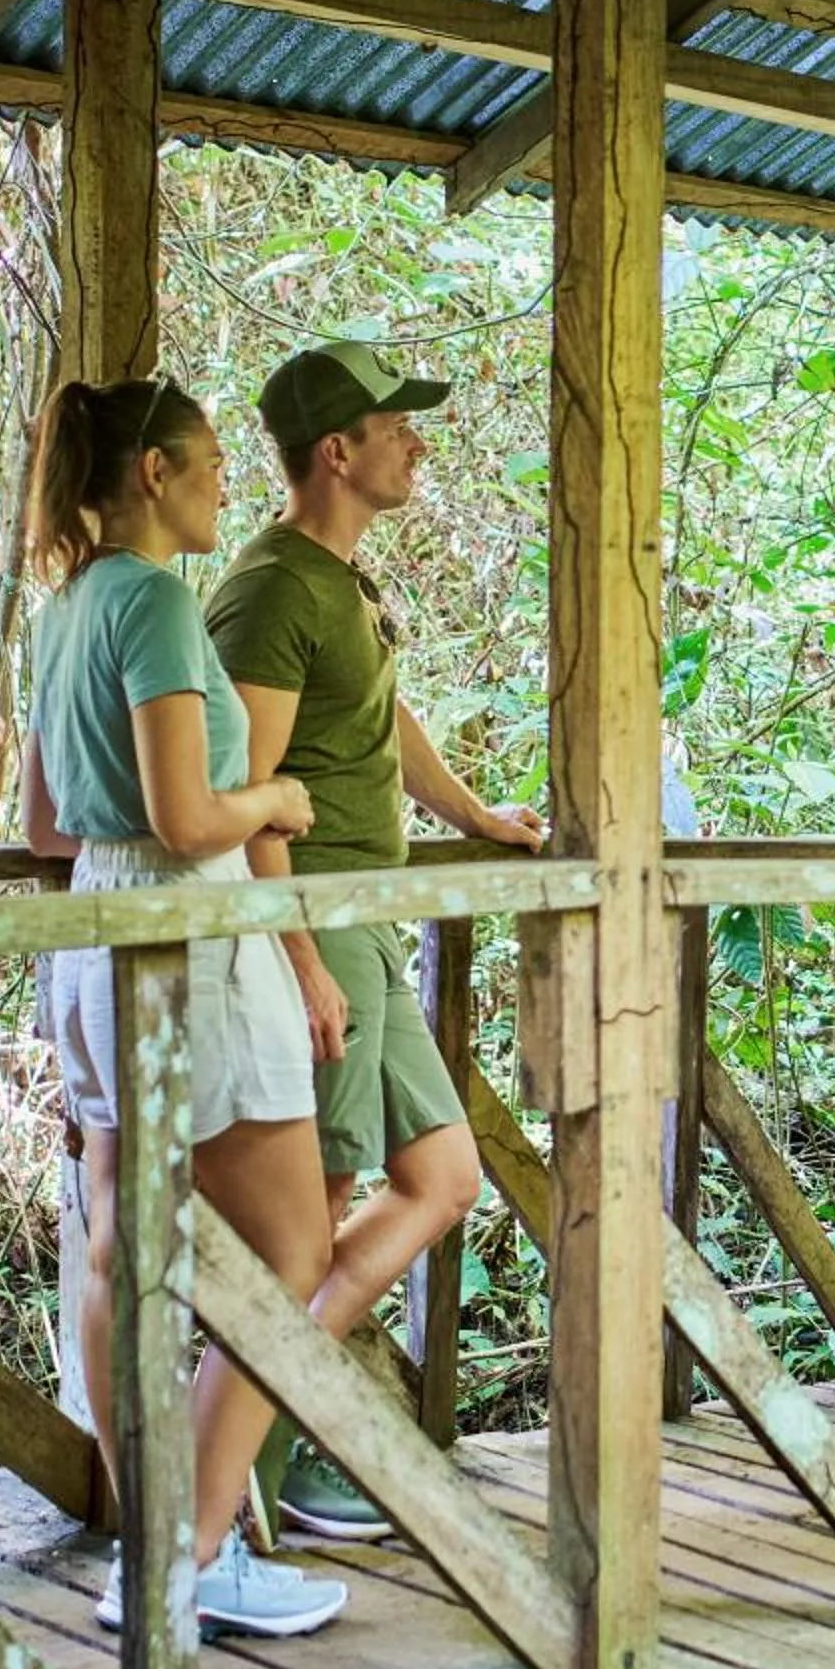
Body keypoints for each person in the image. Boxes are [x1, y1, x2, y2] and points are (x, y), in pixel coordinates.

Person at [19, 375, 347, 1637]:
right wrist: (272, 802)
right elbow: (186, 816)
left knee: (118, 1242)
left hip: (95, 935)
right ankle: (186, 1556)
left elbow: (47, 824)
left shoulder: (67, 607)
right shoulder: (154, 597)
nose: (225, 481)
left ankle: (151, 1537)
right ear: (151, 471)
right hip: (186, 927)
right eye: (208, 460)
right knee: (291, 1247)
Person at [205, 340, 544, 1539]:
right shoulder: (271, 586)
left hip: (367, 920)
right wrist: (296, 959)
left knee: (445, 1176)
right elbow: (242, 785)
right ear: (336, 451)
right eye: (396, 425)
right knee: (320, 1202)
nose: (419, 441)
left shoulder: (341, 583)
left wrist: (478, 818)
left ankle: (279, 1427)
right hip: (316, 923)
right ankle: (253, 1467)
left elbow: (380, 724)